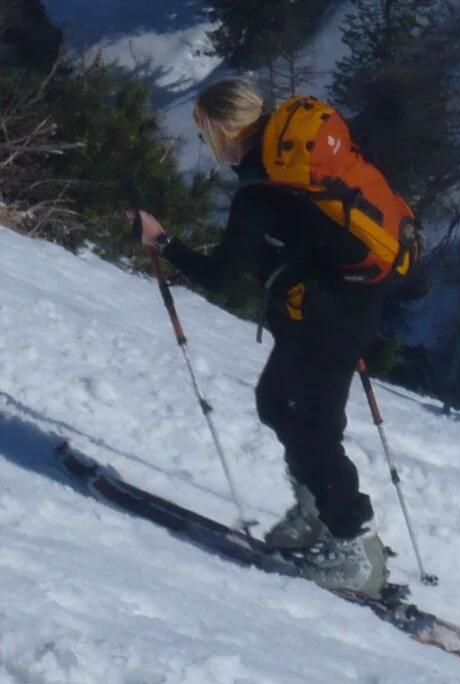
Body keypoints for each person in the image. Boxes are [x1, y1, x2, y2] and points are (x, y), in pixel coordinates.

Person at [132, 78, 389, 597]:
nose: (207, 145)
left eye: (206, 133)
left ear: (226, 131)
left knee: (314, 430)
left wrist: (163, 241)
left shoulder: (263, 188)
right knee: (276, 403)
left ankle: (356, 551)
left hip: (326, 321)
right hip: (336, 312)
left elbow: (221, 277)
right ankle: (316, 515)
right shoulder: (291, 167)